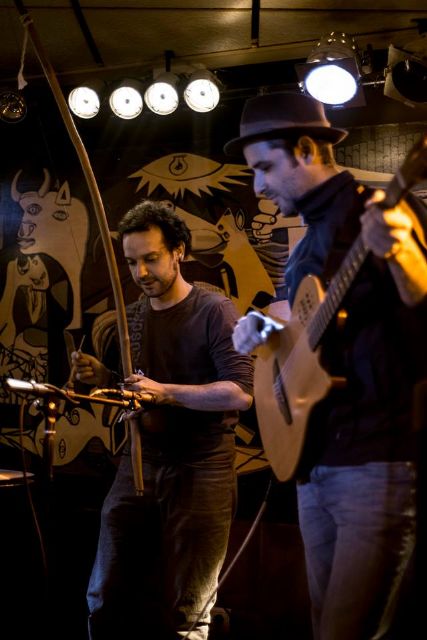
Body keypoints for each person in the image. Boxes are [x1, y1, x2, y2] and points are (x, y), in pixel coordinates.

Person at [224, 91, 427, 639]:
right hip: (314, 467)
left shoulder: (380, 211)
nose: (258, 187)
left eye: (265, 168)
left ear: (307, 149)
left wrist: (402, 255)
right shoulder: (306, 246)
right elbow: (299, 331)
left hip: (375, 462)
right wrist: (264, 330)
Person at [70, 200, 254, 640]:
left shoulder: (214, 310)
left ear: (179, 252)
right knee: (104, 593)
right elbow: (139, 388)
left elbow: (240, 393)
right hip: (141, 461)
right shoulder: (135, 314)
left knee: (192, 608)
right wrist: (105, 378)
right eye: (132, 262)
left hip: (203, 466)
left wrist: (165, 391)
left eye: (151, 259)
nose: (141, 272)